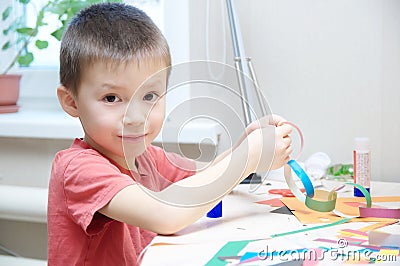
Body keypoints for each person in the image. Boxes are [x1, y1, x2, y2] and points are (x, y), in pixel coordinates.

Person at [47, 2, 293, 265]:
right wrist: (250, 154)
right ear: (71, 102)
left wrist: (245, 144)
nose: (136, 118)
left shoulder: (146, 158)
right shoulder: (77, 169)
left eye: (150, 96)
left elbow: (205, 178)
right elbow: (165, 215)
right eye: (111, 98)